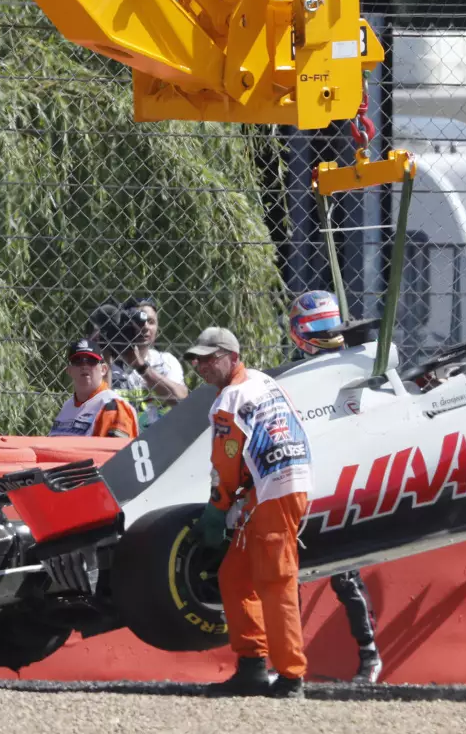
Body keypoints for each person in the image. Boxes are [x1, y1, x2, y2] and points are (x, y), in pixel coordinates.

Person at [186, 326, 312, 699]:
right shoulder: (263, 382)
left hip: (274, 490)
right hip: (279, 485)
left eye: (211, 358)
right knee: (235, 577)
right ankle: (253, 668)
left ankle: (291, 677)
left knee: (275, 583)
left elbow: (225, 466)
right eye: (197, 359)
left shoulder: (229, 400)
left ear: (234, 358)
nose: (201, 366)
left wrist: (217, 508)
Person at [287, 290, 384, 684]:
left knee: (343, 573)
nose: (326, 338)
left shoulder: (359, 369)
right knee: (289, 574)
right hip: (305, 480)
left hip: (344, 481)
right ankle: (289, 661)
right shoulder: (298, 375)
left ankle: (370, 657)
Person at [108, 296, 188, 430]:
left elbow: (181, 400)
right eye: (139, 321)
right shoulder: (109, 363)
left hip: (159, 438)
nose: (145, 327)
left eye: (151, 322)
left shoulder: (166, 361)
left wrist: (142, 368)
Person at [48, 338, 138, 438]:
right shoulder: (67, 406)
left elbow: (116, 452)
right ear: (69, 370)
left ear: (103, 369)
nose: (84, 366)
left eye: (91, 361)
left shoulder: (112, 406)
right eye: (77, 361)